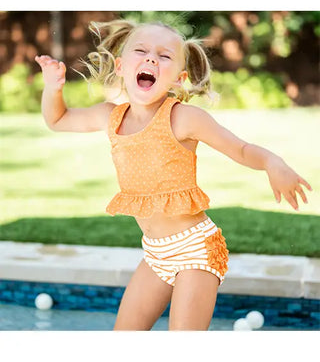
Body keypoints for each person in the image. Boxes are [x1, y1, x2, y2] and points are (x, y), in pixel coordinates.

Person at [35, 19, 312, 331]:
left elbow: (242, 149)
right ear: (121, 66)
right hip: (155, 254)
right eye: (141, 51)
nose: (151, 58)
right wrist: (53, 88)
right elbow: (57, 119)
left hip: (196, 250)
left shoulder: (183, 118)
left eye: (164, 56)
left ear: (179, 79)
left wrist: (273, 163)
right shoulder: (109, 116)